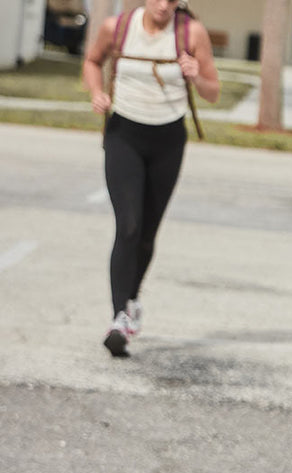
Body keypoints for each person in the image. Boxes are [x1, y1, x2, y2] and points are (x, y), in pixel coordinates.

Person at [82, 0, 219, 357]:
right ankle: (118, 318)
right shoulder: (118, 28)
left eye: (171, 0)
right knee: (128, 225)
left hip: (168, 139)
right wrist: (97, 92)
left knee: (146, 233)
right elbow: (92, 61)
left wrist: (195, 74)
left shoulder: (191, 33)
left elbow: (213, 91)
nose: (163, 5)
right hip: (124, 133)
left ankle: (131, 299)